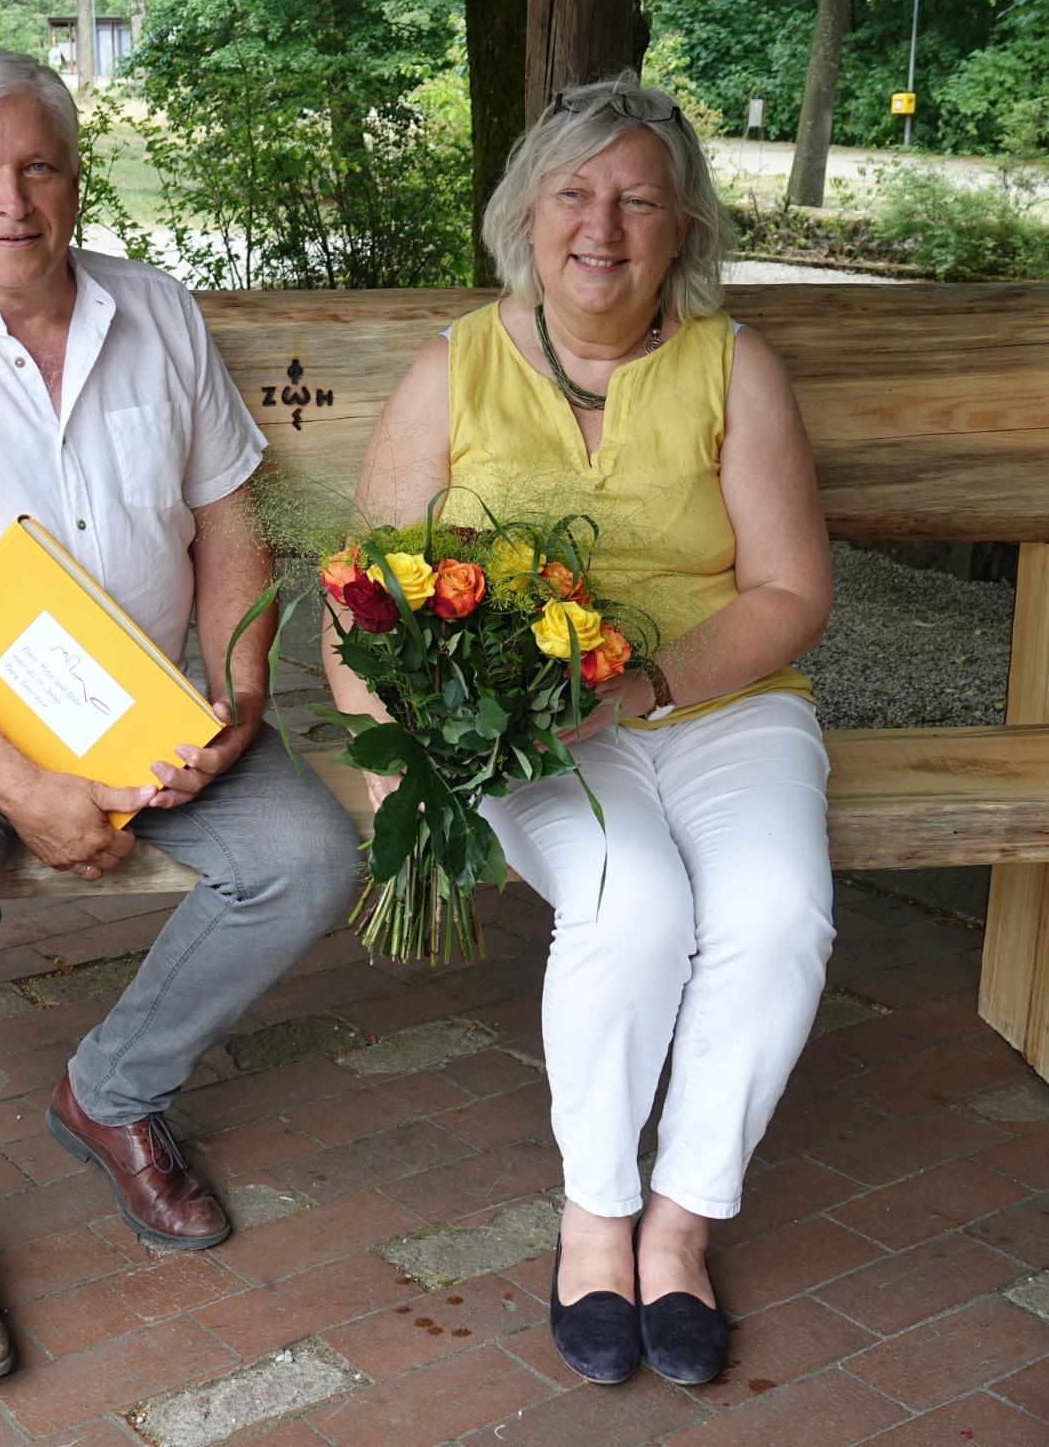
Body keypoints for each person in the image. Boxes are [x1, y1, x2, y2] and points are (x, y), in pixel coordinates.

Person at [0, 49, 356, 1386]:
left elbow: (226, 529)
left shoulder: (157, 314)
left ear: (75, 179)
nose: (11, 201)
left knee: (308, 859)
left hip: (142, 706)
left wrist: (243, 689)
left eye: (38, 167)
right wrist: (17, 783)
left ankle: (114, 1091)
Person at [323, 74, 834, 1387]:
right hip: (526, 728)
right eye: (575, 195)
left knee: (776, 914)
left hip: (717, 708)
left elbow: (790, 592)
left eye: (639, 201)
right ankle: (596, 1219)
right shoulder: (459, 366)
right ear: (525, 215)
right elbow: (361, 589)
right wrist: (399, 759)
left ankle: (682, 1227)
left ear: (682, 232)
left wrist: (651, 684)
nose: (601, 227)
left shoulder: (733, 366)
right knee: (635, 903)